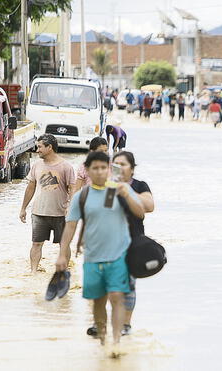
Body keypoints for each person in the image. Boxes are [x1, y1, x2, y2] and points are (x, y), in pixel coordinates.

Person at [55, 151, 144, 349]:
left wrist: (127, 196)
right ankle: (103, 339)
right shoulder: (82, 196)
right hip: (92, 256)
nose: (100, 171)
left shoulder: (118, 189)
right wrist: (62, 254)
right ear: (88, 170)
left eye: (104, 167)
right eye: (95, 168)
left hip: (119, 254)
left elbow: (140, 213)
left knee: (116, 295)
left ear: (109, 169)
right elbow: (70, 225)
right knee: (98, 300)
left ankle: (117, 343)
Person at [87, 151, 154, 338]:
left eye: (123, 164)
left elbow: (149, 206)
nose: (119, 167)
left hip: (134, 242)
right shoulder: (108, 187)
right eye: (115, 163)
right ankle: (99, 322)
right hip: (108, 243)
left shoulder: (140, 185)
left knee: (128, 286)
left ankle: (126, 323)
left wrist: (127, 190)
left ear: (132, 169)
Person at [19, 134, 76, 272]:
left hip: (60, 213)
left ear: (49, 147)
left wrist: (71, 206)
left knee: (63, 244)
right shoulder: (37, 165)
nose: (37, 150)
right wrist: (23, 208)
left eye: (39, 147)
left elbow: (72, 189)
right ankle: (33, 272)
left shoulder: (66, 166)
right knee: (36, 243)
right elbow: (31, 187)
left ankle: (63, 272)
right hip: (38, 212)